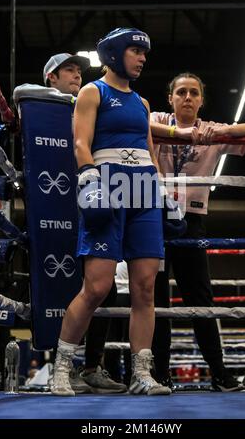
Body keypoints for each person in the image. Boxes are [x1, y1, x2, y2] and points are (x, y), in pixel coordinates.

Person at [51, 27, 176, 396]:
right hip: (108, 185)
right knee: (98, 286)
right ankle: (62, 368)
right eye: (136, 51)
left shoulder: (141, 103)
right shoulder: (93, 92)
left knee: (145, 288)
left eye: (144, 54)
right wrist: (90, 181)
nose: (142, 58)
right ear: (116, 52)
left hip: (143, 191)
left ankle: (142, 373)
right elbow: (80, 143)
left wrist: (161, 191)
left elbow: (149, 152)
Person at [151, 72, 245, 391]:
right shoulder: (157, 119)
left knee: (200, 296)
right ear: (170, 98)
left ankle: (218, 372)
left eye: (194, 93)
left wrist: (218, 133)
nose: (187, 97)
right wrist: (179, 134)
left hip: (191, 219)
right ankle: (159, 373)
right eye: (181, 92)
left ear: (201, 100)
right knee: (156, 299)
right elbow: (139, 125)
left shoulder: (210, 129)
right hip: (154, 216)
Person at [43, 53, 126, 394]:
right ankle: (60, 368)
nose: (76, 75)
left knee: (104, 288)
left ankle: (92, 366)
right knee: (71, 289)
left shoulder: (92, 101)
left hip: (90, 201)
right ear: (51, 77)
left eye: (79, 70)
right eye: (69, 70)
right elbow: (21, 92)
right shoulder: (42, 104)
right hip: (56, 208)